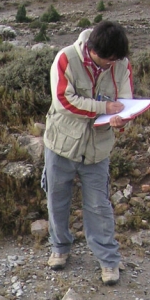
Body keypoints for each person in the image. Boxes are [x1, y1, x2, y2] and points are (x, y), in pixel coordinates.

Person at [43, 20, 133, 285]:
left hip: (98, 148)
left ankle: (108, 261)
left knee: (98, 205)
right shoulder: (66, 59)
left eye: (115, 60)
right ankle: (60, 247)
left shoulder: (120, 64)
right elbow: (63, 102)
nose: (110, 64)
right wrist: (105, 109)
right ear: (92, 49)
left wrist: (123, 118)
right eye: (106, 59)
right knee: (57, 200)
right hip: (61, 145)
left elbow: (125, 101)